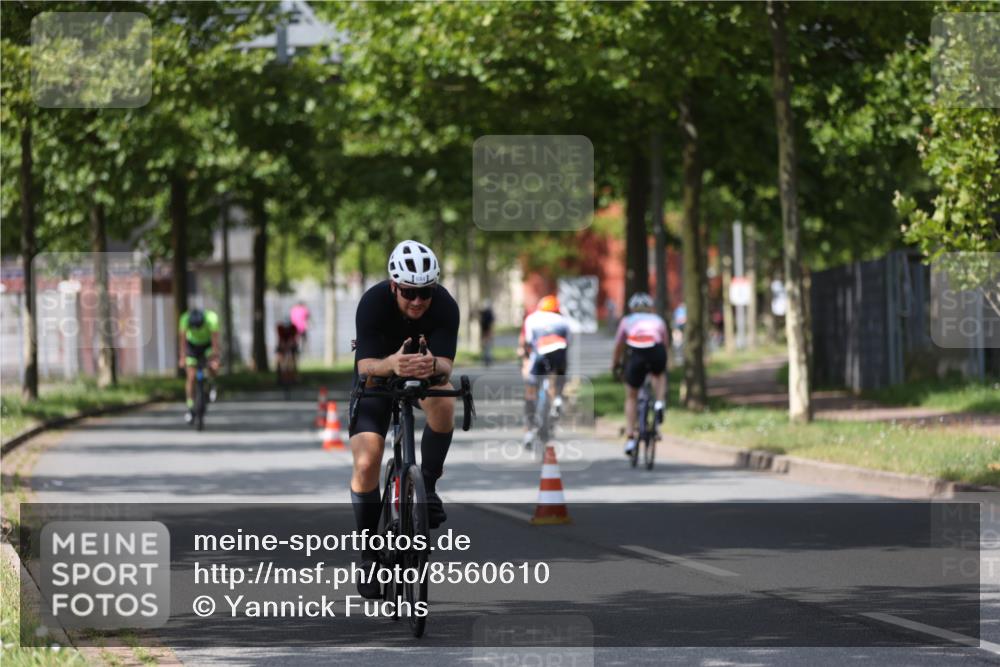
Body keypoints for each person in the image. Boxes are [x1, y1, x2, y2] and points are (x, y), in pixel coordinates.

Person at [350, 240, 459, 598]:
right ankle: (369, 555)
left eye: (425, 292)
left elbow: (446, 364)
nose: (417, 301)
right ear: (394, 286)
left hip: (423, 374)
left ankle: (426, 485)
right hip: (378, 378)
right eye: (409, 292)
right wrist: (392, 364)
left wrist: (432, 365)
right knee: (367, 462)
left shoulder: (444, 306)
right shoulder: (373, 302)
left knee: (444, 404)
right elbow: (365, 366)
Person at [612, 292, 668, 456]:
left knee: (631, 396)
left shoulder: (627, 320)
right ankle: (659, 402)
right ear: (650, 308)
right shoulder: (658, 320)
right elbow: (665, 344)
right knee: (659, 375)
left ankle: (630, 438)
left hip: (637, 353)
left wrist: (615, 364)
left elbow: (619, 345)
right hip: (656, 351)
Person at [518, 295, 570, 447]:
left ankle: (529, 431)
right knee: (558, 372)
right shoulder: (563, 321)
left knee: (530, 389)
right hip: (559, 354)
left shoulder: (532, 318)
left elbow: (528, 343)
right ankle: (558, 398)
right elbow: (568, 343)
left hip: (539, 354)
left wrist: (524, 359)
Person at [178, 307, 221, 423]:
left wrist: (215, 358)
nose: (197, 330)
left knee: (213, 367)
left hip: (207, 345)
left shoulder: (212, 319)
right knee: (191, 377)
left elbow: (215, 341)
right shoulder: (184, 319)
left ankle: (212, 383)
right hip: (192, 346)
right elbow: (182, 341)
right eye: (194, 328)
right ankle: (190, 406)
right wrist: (182, 358)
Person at [478, 299, 495, 367]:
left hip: (484, 331)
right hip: (487, 331)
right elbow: (491, 323)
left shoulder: (483, 313)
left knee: (485, 346)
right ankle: (487, 358)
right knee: (487, 346)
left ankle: (486, 358)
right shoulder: (489, 313)